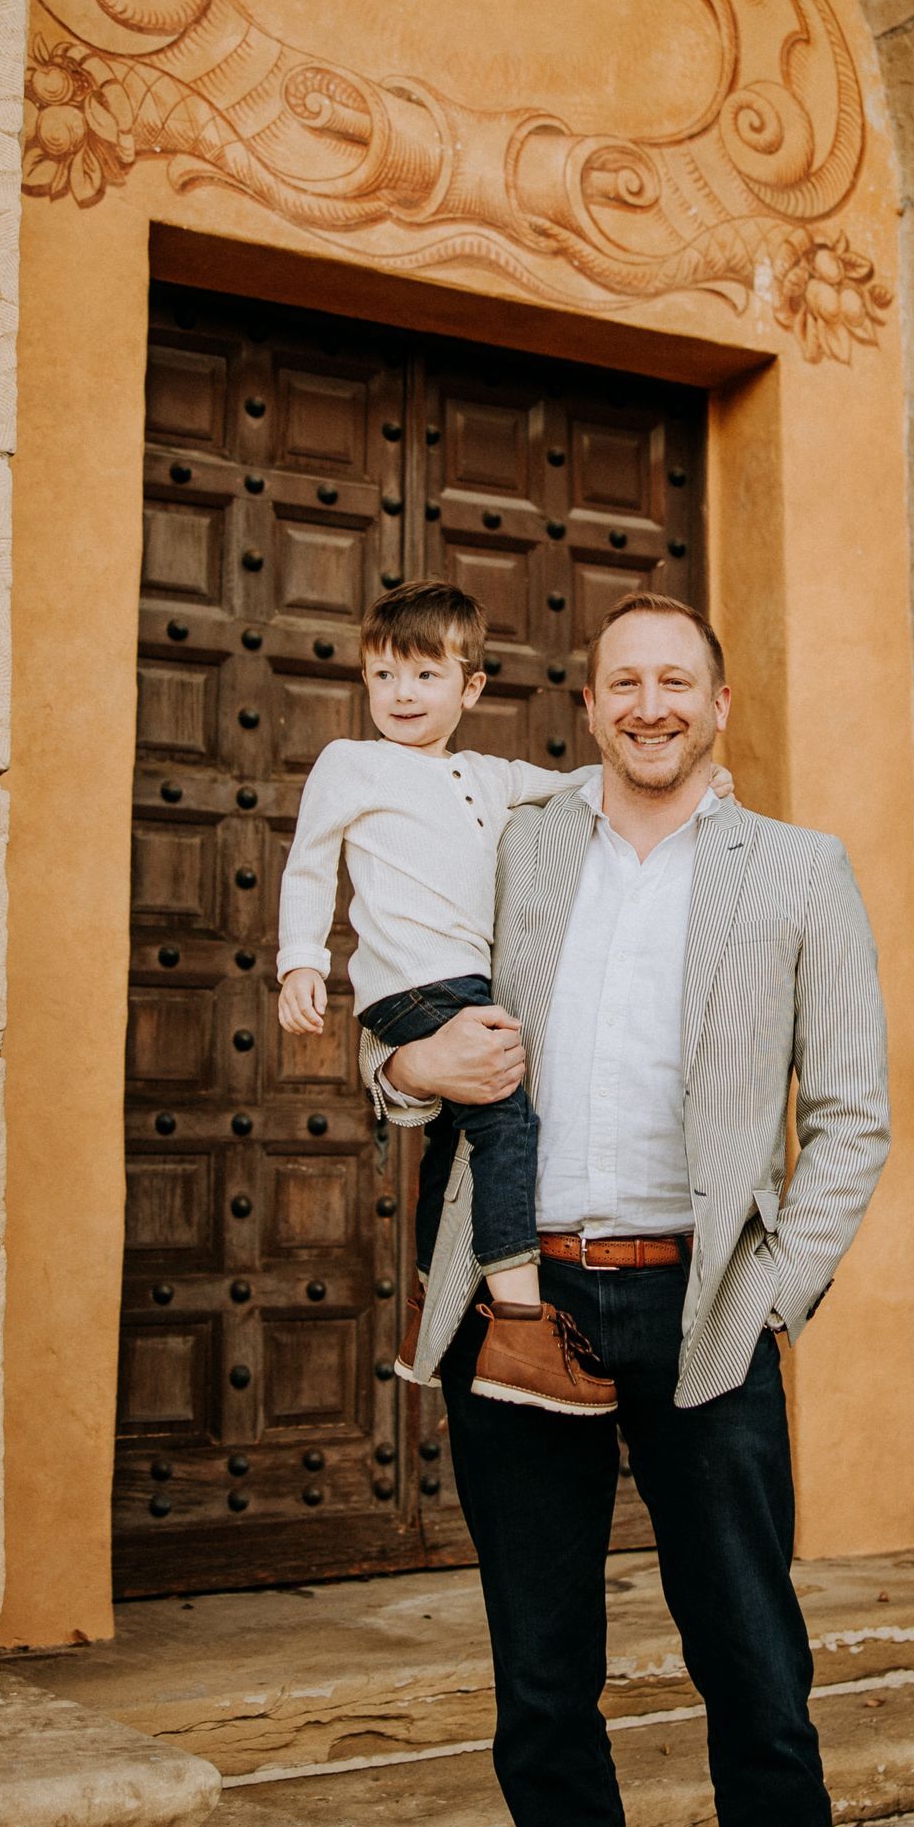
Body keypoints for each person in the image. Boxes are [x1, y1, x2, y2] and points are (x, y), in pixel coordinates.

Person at [365, 590, 914, 1827]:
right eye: (626, 681)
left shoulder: (798, 871)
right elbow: (406, 1012)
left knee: (760, 1687)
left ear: (718, 706)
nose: (652, 703)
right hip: (523, 1303)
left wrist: (775, 1297)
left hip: (708, 1312)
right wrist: (403, 1072)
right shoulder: (518, 845)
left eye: (679, 680)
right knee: (545, 1696)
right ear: (592, 703)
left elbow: (854, 1113)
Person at [276, 579, 601, 1414]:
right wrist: (301, 961)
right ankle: (522, 1325)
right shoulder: (351, 763)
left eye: (425, 675)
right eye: (384, 675)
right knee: (507, 1119)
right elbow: (309, 862)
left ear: (471, 687)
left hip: (467, 983)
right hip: (411, 985)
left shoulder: (488, 776)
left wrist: (693, 786)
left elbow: (580, 784)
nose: (402, 693)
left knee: (458, 1140)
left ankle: (432, 1302)